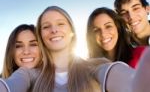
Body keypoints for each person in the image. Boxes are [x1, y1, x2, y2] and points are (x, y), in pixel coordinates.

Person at [0, 6, 147, 92]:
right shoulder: (29, 74)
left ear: (72, 32)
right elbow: (8, 86)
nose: (54, 30)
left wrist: (137, 82)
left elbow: (129, 82)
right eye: (46, 26)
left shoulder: (95, 66)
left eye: (61, 24)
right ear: (41, 36)